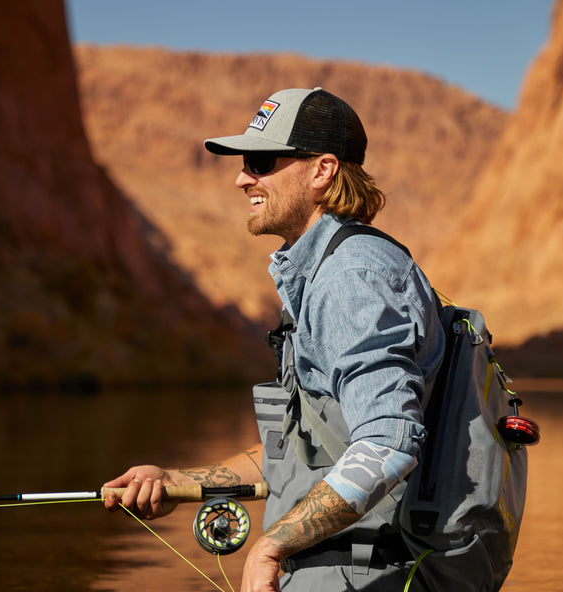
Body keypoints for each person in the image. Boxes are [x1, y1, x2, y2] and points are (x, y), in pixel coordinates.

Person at [103, 87, 445, 592]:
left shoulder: (351, 275)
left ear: (322, 170)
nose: (243, 178)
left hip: (370, 573)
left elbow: (388, 440)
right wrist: (181, 481)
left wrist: (271, 546)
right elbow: (308, 451)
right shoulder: (323, 272)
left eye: (260, 162)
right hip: (347, 565)